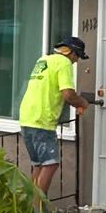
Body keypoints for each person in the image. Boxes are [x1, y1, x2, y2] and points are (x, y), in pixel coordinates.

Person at [18, 35, 88, 199]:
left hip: (27, 117)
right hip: (42, 120)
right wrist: (83, 103)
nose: (76, 61)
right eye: (77, 57)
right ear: (71, 53)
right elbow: (68, 94)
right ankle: (39, 208)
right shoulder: (64, 63)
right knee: (51, 164)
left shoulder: (43, 60)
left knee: (39, 165)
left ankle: (31, 210)